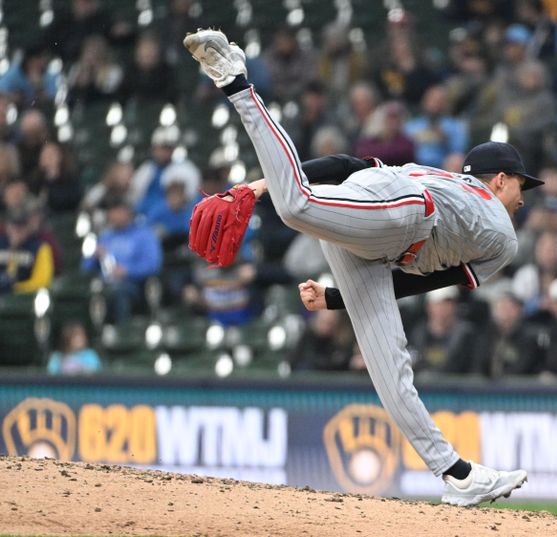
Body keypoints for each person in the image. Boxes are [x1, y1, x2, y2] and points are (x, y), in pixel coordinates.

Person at [183, 28, 533, 506]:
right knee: (297, 209)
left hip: (381, 231)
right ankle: (238, 84)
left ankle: (457, 474)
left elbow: (347, 163)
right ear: (500, 179)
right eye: (519, 185)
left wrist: (329, 295)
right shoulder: (502, 230)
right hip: (403, 210)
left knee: (389, 366)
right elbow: (429, 281)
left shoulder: (445, 177)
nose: (521, 198)